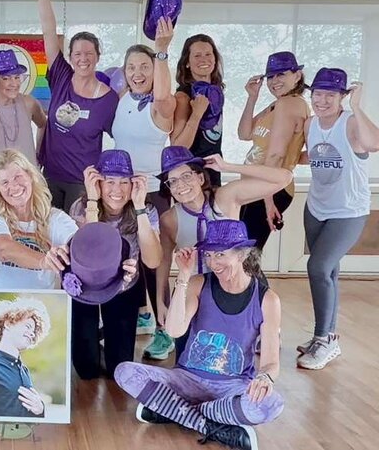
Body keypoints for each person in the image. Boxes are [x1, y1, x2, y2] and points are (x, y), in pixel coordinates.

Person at [115, 219, 284, 450]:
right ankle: (209, 425)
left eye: (221, 254)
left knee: (271, 405)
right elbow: (174, 330)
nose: (213, 263)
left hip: (231, 387)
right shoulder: (198, 283)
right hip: (187, 380)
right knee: (125, 372)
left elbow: (271, 362)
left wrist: (264, 378)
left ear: (243, 254)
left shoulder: (267, 300)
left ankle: (175, 410)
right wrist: (183, 276)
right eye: (209, 255)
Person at [154, 146, 292, 361]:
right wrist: (161, 301)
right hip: (193, 291)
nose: (180, 185)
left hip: (232, 288)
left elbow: (284, 178)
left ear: (200, 177)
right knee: (185, 355)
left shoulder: (226, 197)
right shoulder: (169, 219)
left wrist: (228, 166)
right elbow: (163, 261)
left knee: (231, 355)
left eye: (187, 176)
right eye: (173, 181)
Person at [297, 70, 378, 370]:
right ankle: (327, 338)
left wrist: (357, 106)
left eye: (330, 95)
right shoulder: (311, 124)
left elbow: (374, 143)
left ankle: (323, 339)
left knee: (317, 267)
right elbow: (311, 155)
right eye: (317, 94)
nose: (322, 100)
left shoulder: (351, 122)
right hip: (316, 208)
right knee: (328, 271)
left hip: (348, 211)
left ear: (342, 96)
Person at [110, 21, 177, 343]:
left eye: (145, 67)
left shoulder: (162, 105)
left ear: (155, 70)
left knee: (154, 265)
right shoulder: (124, 97)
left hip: (151, 194)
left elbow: (162, 93)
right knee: (128, 258)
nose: (137, 73)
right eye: (131, 67)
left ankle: (166, 329)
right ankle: (143, 315)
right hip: (121, 195)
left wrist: (161, 50)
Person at [68, 150, 161, 378]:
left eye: (124, 182)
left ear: (133, 185)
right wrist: (92, 201)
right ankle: (95, 340)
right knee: (86, 369)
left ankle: (107, 338)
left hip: (124, 285)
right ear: (98, 183)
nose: (117, 190)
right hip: (87, 286)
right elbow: (91, 253)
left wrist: (139, 208)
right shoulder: (81, 206)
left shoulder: (147, 210)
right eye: (109, 181)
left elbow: (152, 261)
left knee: (119, 368)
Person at [35, 0, 118, 211]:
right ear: (70, 57)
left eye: (89, 53)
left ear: (98, 57)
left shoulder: (109, 100)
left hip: (81, 183)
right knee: (48, 229)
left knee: (76, 231)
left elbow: (122, 139)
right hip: (50, 176)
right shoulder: (61, 76)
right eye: (78, 54)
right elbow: (48, 32)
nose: (83, 59)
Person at [238, 51, 310, 249]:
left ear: (297, 76)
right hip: (255, 188)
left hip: (270, 189)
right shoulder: (278, 104)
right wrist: (252, 97)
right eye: (270, 76)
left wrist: (268, 200)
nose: (274, 81)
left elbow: (276, 155)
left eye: (281, 74)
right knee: (244, 252)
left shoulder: (290, 104)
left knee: (246, 253)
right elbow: (244, 133)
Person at [0, 149, 78, 290]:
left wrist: (67, 252)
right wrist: (44, 261)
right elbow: (3, 249)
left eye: (17, 177)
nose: (13, 186)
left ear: (30, 176)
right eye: (5, 182)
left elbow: (80, 245)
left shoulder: (55, 218)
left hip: (42, 300)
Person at [0, 296, 49, 418]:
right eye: (28, 326)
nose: (32, 334)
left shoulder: (24, 371)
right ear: (8, 324)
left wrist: (40, 410)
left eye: (33, 332)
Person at [171, 34, 226, 187]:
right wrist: (196, 114)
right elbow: (178, 147)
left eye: (208, 54)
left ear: (215, 59)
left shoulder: (216, 91)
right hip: (190, 174)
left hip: (214, 169)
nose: (204, 59)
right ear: (187, 63)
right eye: (197, 55)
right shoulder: (183, 97)